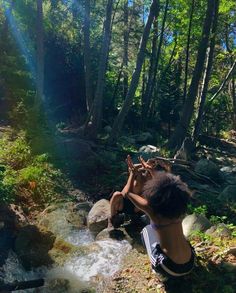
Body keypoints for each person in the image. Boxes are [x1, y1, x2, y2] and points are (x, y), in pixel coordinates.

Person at [111, 156, 195, 277]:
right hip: (191, 262)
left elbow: (128, 193)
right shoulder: (180, 206)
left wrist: (132, 174)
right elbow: (169, 185)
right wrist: (151, 170)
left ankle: (157, 270)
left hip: (170, 267)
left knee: (146, 230)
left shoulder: (152, 209)